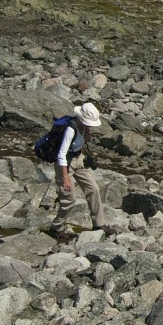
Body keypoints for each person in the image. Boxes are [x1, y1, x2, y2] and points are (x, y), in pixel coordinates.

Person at [51, 102, 107, 239]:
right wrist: (65, 177)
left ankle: (99, 224)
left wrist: (87, 134)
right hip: (65, 164)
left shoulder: (84, 127)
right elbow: (61, 154)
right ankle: (56, 227)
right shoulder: (71, 129)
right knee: (70, 199)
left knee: (94, 189)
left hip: (78, 159)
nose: (90, 126)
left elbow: (80, 143)